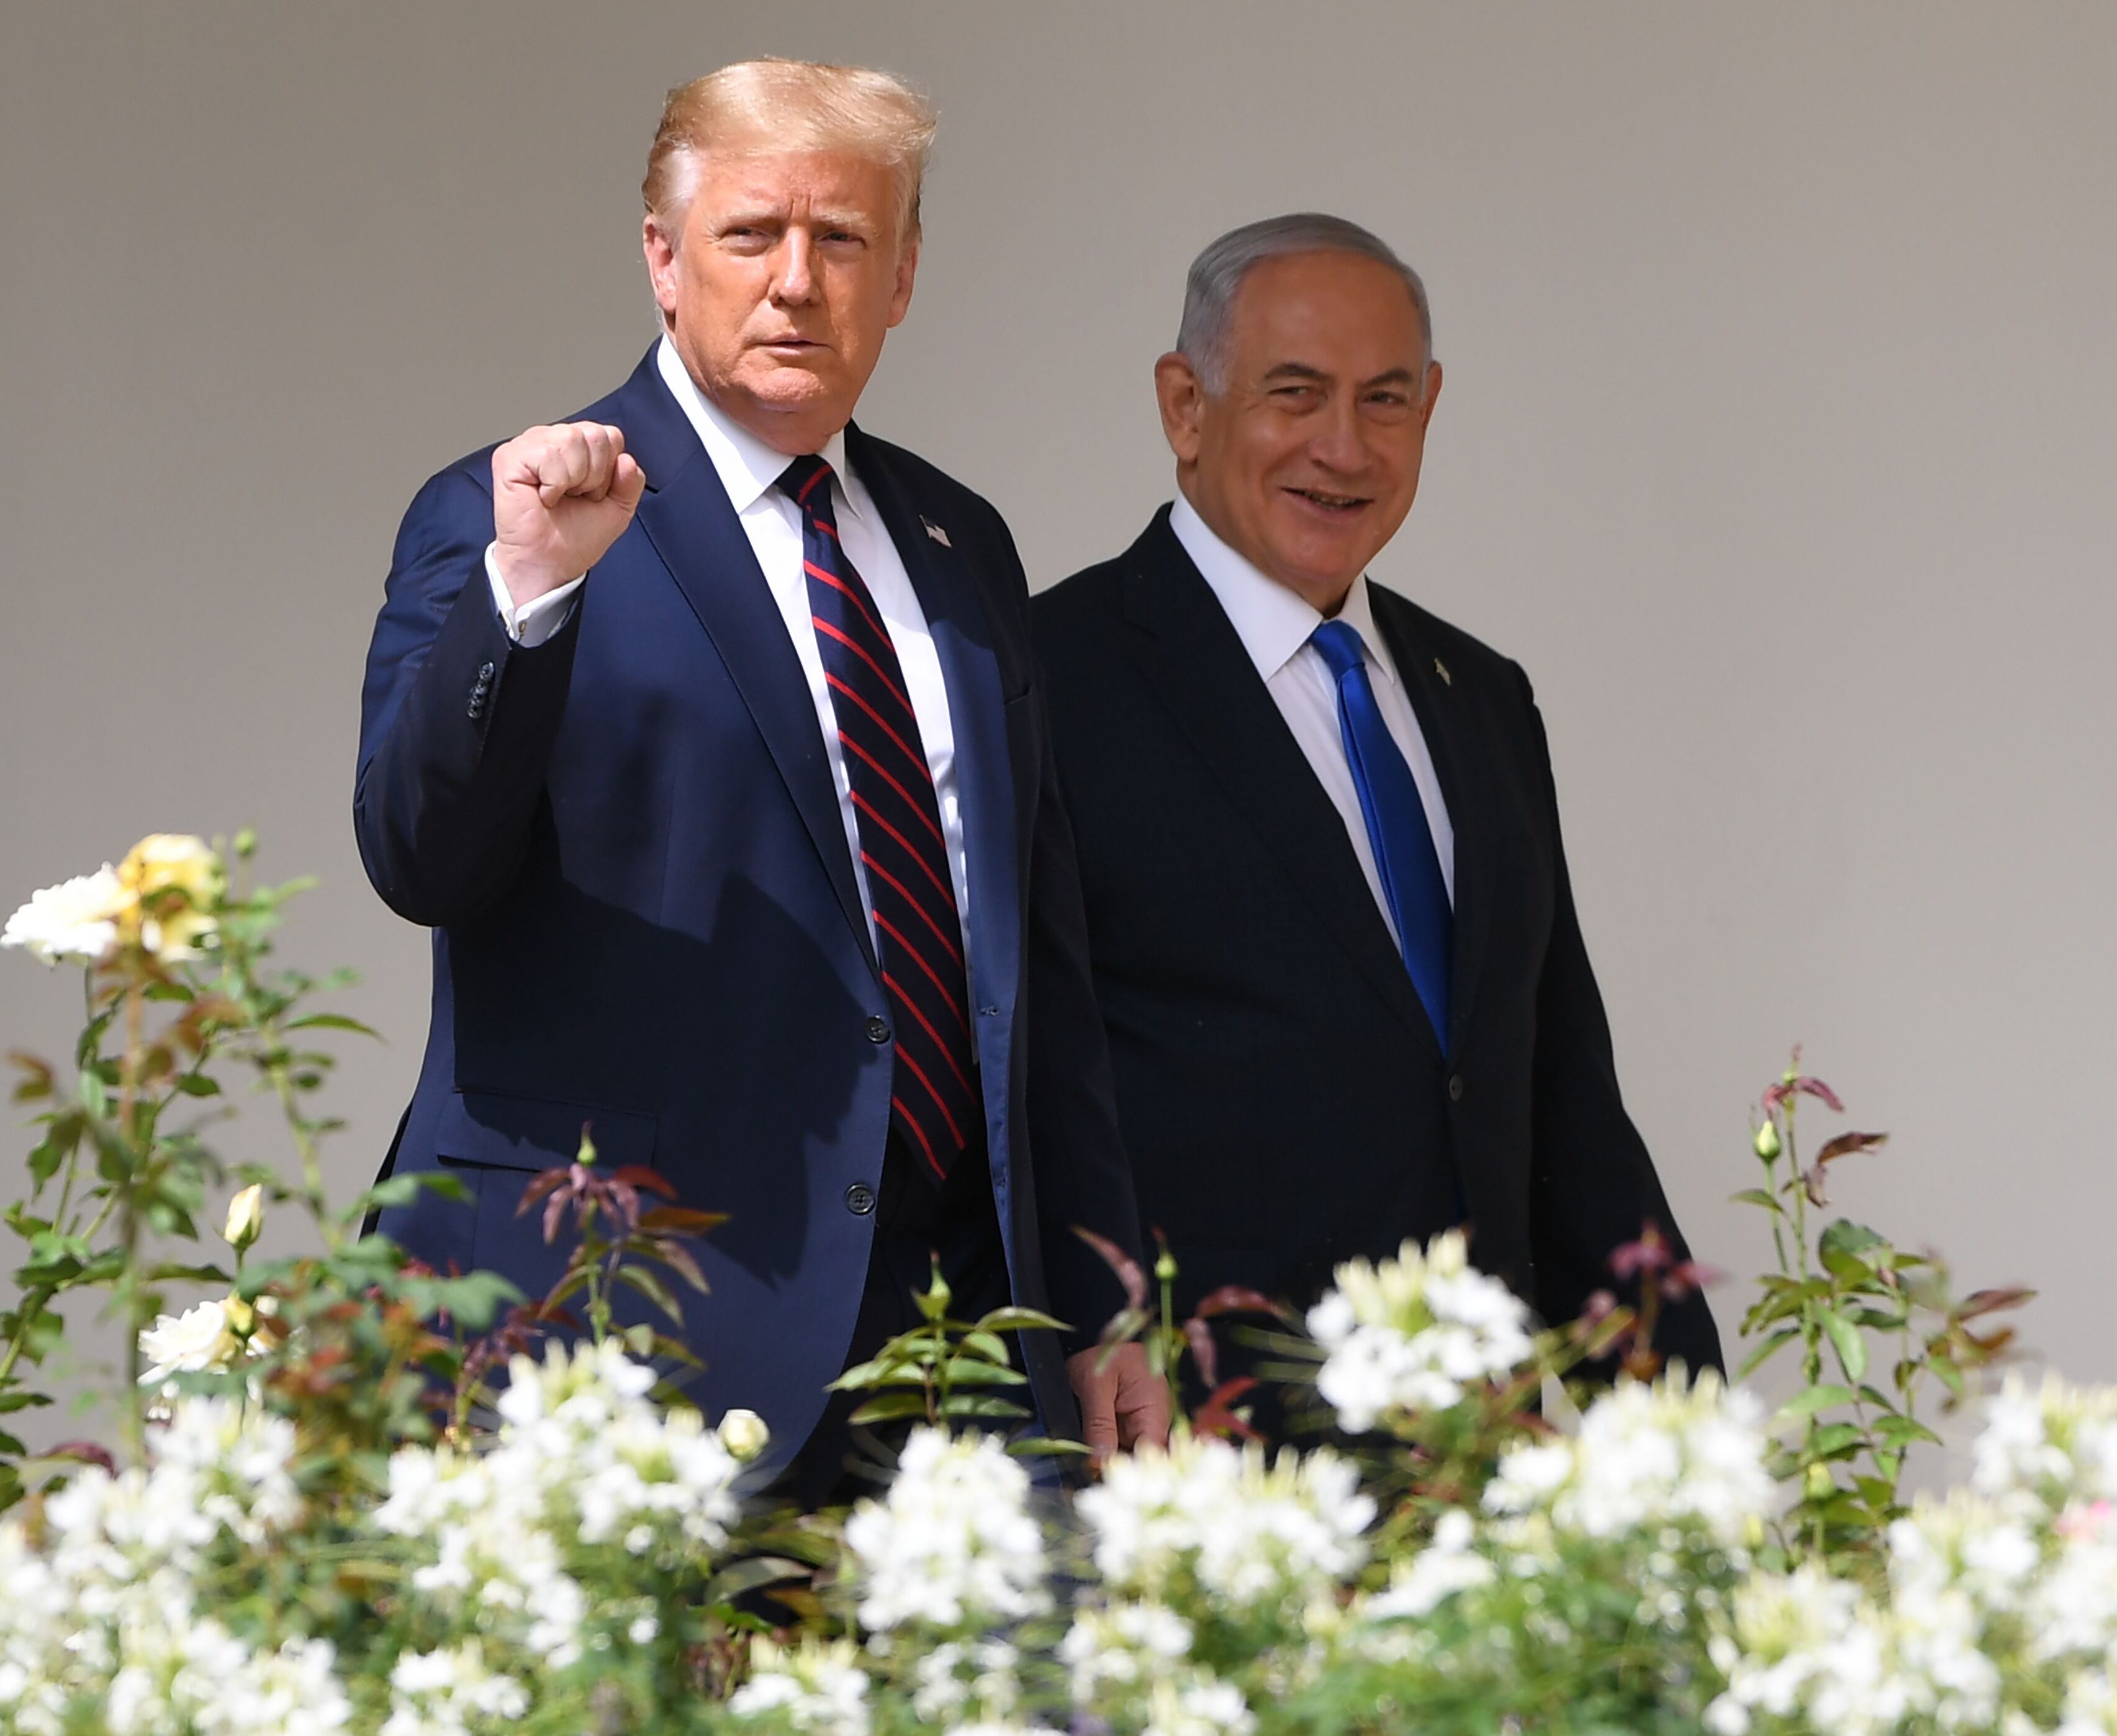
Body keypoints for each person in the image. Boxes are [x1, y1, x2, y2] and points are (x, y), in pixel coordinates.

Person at [353, 59, 1167, 1495]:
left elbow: (1034, 960)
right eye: (751, 236)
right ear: (663, 260)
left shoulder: (955, 544)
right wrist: (528, 597)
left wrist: (1099, 1295)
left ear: (903, 275)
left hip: (962, 1343)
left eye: (841, 239)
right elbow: (420, 857)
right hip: (624, 1339)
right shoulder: (518, 512)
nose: (797, 281)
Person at [1029, 214, 1721, 1421]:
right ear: (1184, 406)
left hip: (1471, 1457)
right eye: (1294, 395)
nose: (1342, 448)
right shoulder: (1043, 681)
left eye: (1385, 401)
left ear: (1430, 408)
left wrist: (1681, 1437)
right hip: (1198, 1458)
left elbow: (1558, 1103)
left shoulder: (1482, 696)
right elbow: (1019, 1091)